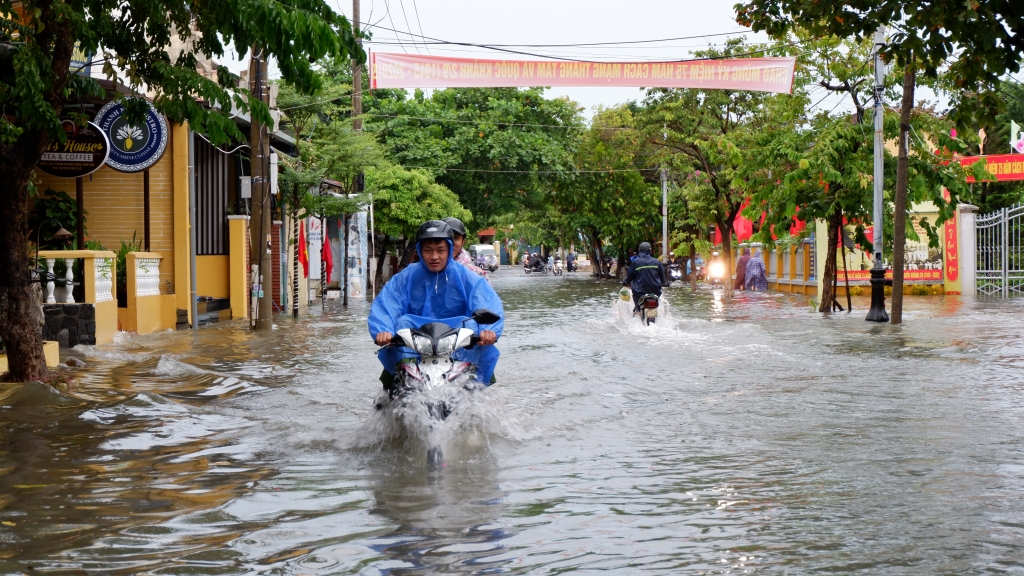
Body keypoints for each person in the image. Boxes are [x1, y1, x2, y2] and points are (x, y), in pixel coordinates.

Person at [369, 220, 504, 385]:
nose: (434, 256)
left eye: (440, 250)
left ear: (449, 250)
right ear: (419, 251)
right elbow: (387, 305)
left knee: (475, 333)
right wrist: (383, 331)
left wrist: (488, 331)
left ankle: (473, 389)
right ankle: (400, 391)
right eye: (428, 251)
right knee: (401, 325)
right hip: (415, 341)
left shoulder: (467, 276)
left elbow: (485, 301)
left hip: (457, 341)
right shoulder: (406, 277)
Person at [622, 242, 665, 314]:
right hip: (655, 292)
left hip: (639, 292)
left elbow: (629, 276)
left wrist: (625, 282)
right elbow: (663, 279)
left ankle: (638, 311)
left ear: (640, 251)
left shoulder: (636, 262)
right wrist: (662, 284)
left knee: (636, 300)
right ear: (650, 251)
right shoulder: (657, 262)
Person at [443, 216, 489, 282]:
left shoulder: (478, 274)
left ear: (463, 241)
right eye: (447, 237)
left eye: (455, 238)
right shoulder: (427, 271)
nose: (451, 243)